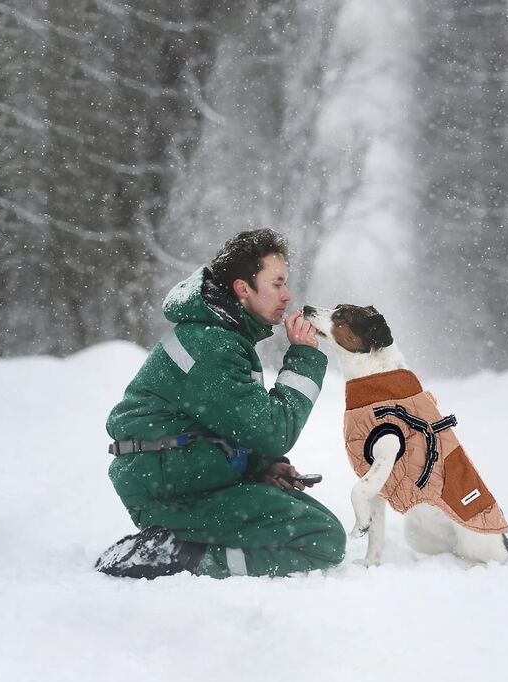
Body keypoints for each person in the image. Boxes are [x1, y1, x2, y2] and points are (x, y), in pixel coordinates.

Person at [95, 229, 346, 579]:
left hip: (184, 477)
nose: (287, 295)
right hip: (170, 491)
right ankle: (182, 556)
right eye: (276, 284)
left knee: (310, 523)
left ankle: (180, 543)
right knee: (322, 538)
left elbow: (228, 423)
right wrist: (304, 357)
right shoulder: (212, 344)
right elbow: (274, 431)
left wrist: (262, 466)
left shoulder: (221, 334)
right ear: (243, 288)